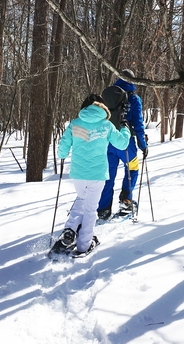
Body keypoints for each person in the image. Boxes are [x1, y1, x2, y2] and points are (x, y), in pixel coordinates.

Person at [55, 93, 131, 256]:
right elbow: (122, 143)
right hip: (97, 175)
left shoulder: (74, 124)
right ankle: (83, 244)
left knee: (81, 199)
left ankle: (69, 229)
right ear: (101, 107)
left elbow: (61, 151)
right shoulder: (106, 125)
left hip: (78, 174)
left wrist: (63, 154)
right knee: (90, 209)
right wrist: (125, 128)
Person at [97, 69, 148, 220]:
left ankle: (103, 209)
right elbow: (138, 124)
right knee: (132, 170)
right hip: (126, 144)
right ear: (132, 81)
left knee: (108, 176)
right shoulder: (134, 99)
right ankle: (126, 202)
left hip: (108, 142)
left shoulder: (107, 97)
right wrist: (143, 145)